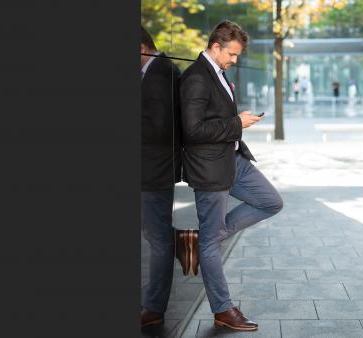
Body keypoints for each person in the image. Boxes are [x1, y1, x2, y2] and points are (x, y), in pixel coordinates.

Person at [179, 20, 283, 332]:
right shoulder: (196, 78)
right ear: (215, 46)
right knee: (211, 245)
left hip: (232, 158)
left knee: (270, 201)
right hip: (210, 168)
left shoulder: (217, 74)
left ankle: (207, 238)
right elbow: (193, 130)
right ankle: (223, 310)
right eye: (232, 54)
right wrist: (237, 123)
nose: (234, 61)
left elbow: (214, 119)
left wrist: (236, 124)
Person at [139, 26, 183, 328]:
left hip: (153, 171)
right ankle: (178, 239)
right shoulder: (154, 72)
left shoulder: (160, 74)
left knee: (157, 239)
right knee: (156, 235)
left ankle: (154, 308)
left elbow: (161, 128)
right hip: (150, 168)